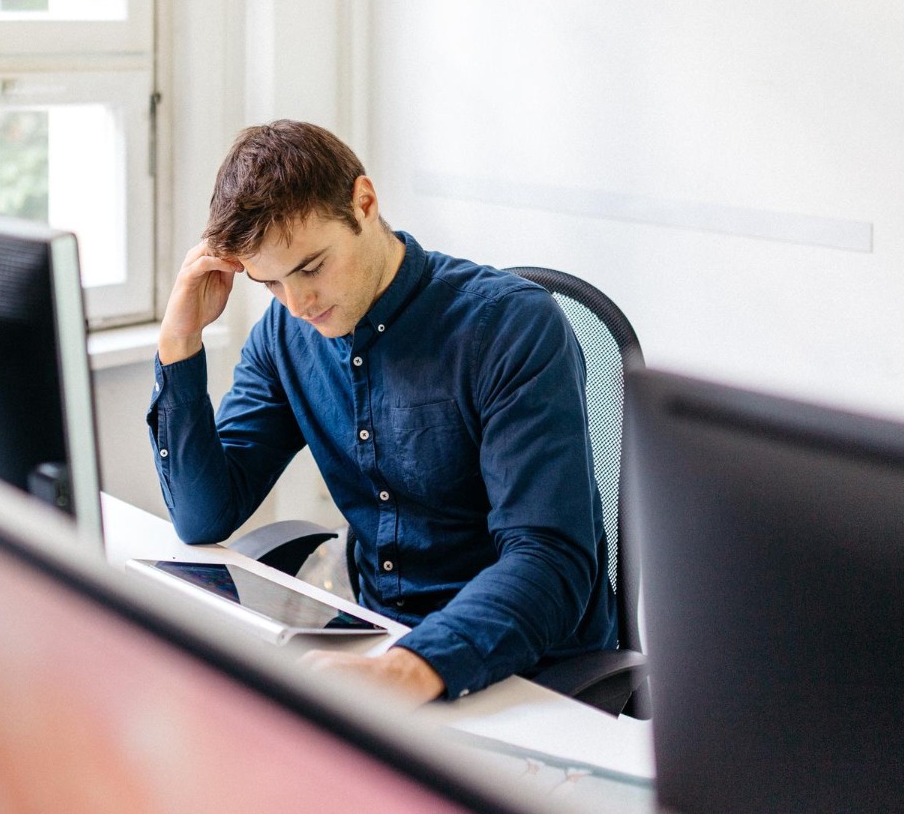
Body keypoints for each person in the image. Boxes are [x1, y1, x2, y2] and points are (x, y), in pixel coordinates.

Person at [147, 120, 616, 704]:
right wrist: (179, 340)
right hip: (379, 644)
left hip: (526, 669)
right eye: (270, 284)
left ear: (364, 203)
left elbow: (549, 562)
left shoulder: (510, 328)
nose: (298, 304)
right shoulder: (287, 335)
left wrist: (405, 669)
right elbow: (204, 516)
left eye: (312, 267)